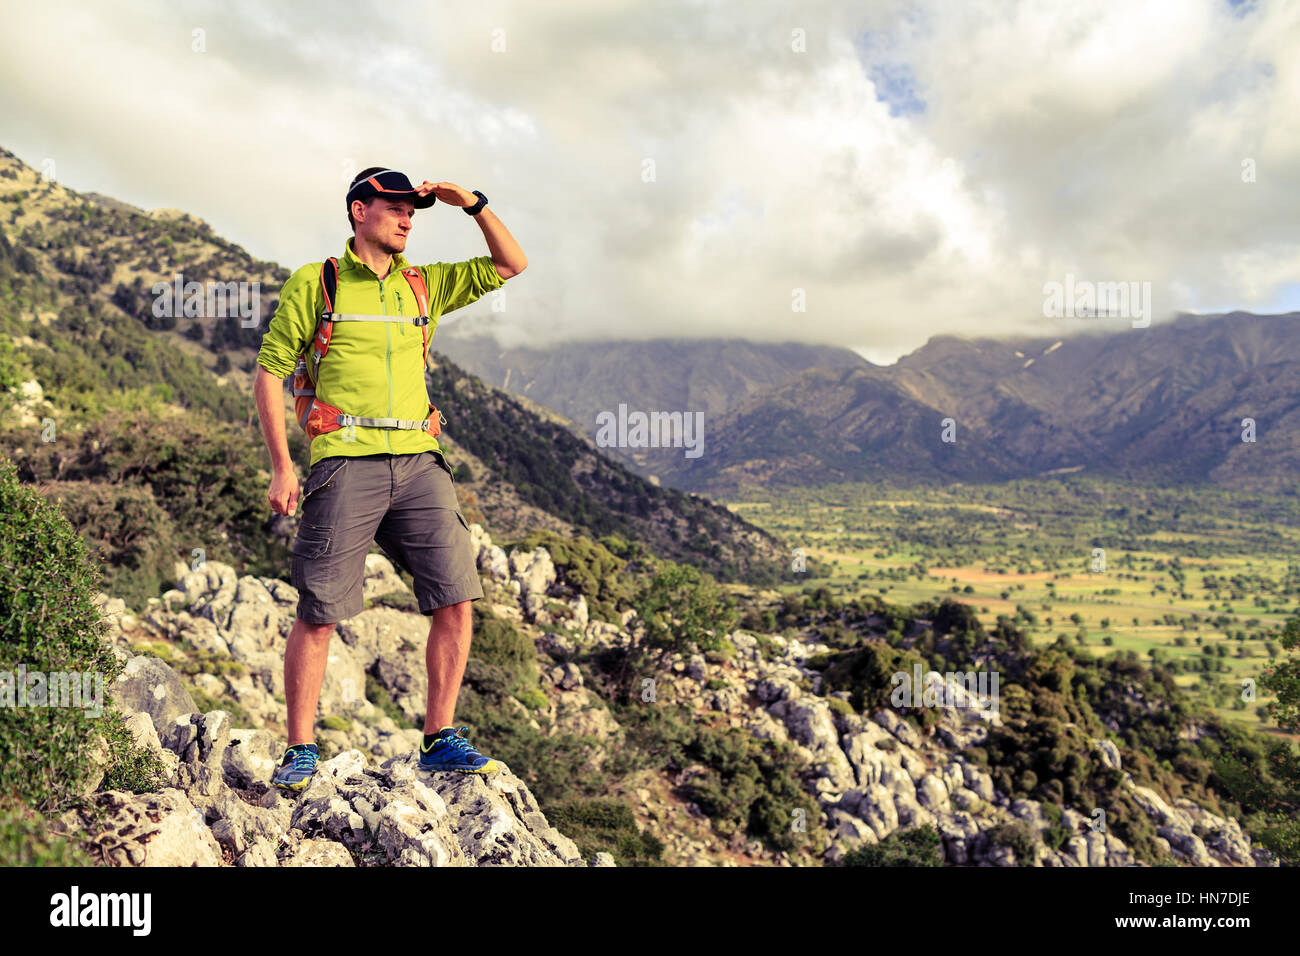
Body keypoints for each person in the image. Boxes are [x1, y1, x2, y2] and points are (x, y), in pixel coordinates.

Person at [252, 167, 527, 792]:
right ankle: (300, 750)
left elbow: (511, 263)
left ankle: (439, 739)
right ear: (358, 210)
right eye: (395, 207)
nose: (407, 218)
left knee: (457, 597)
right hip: (343, 460)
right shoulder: (317, 282)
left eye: (413, 210)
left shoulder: (422, 285)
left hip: (420, 460)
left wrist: (472, 203)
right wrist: (281, 463)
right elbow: (270, 371)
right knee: (320, 611)